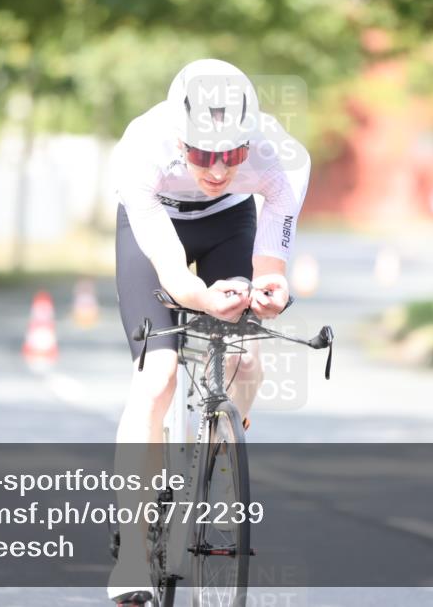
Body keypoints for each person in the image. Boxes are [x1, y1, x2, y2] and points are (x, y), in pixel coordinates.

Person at [108, 58, 310, 604]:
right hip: (155, 228)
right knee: (158, 375)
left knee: (245, 358)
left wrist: (271, 286)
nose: (218, 169)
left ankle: (219, 446)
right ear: (179, 138)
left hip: (229, 221)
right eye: (202, 155)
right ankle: (131, 550)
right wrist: (202, 299)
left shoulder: (281, 156)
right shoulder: (140, 149)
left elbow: (275, 245)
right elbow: (174, 277)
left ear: (251, 141)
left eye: (232, 155)